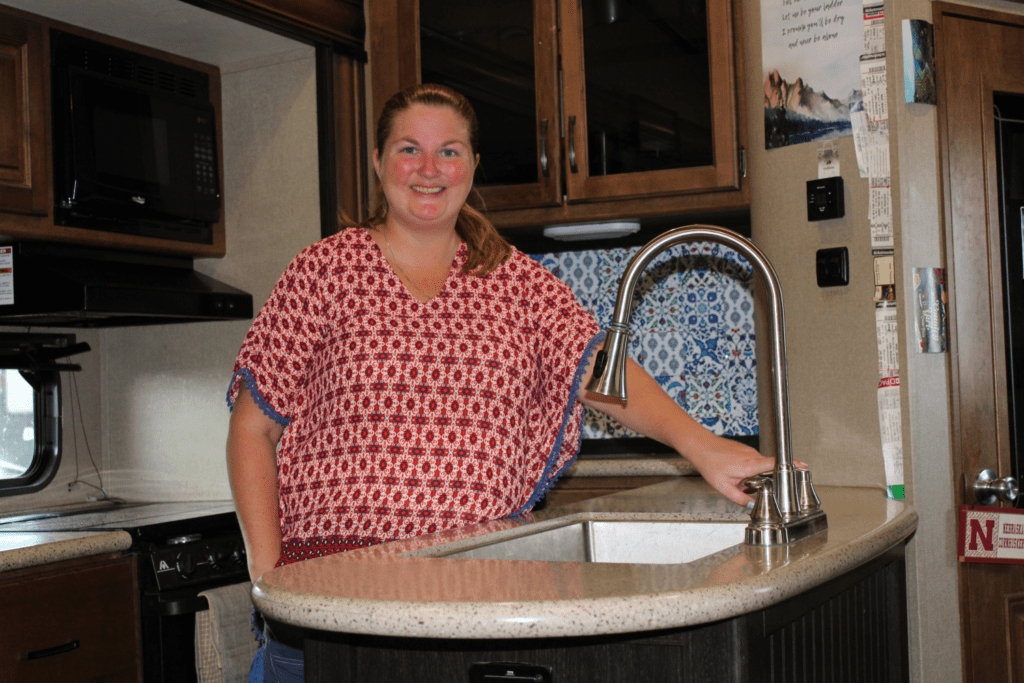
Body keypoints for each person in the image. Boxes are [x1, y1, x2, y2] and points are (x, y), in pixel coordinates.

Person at [226, 83, 775, 682]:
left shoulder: (517, 282)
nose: (429, 169)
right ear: (379, 161)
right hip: (327, 600)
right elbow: (252, 430)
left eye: (451, 151)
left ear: (473, 166)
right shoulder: (323, 270)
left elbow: (597, 371)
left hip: (472, 596)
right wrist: (268, 573)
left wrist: (703, 445)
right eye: (410, 149)